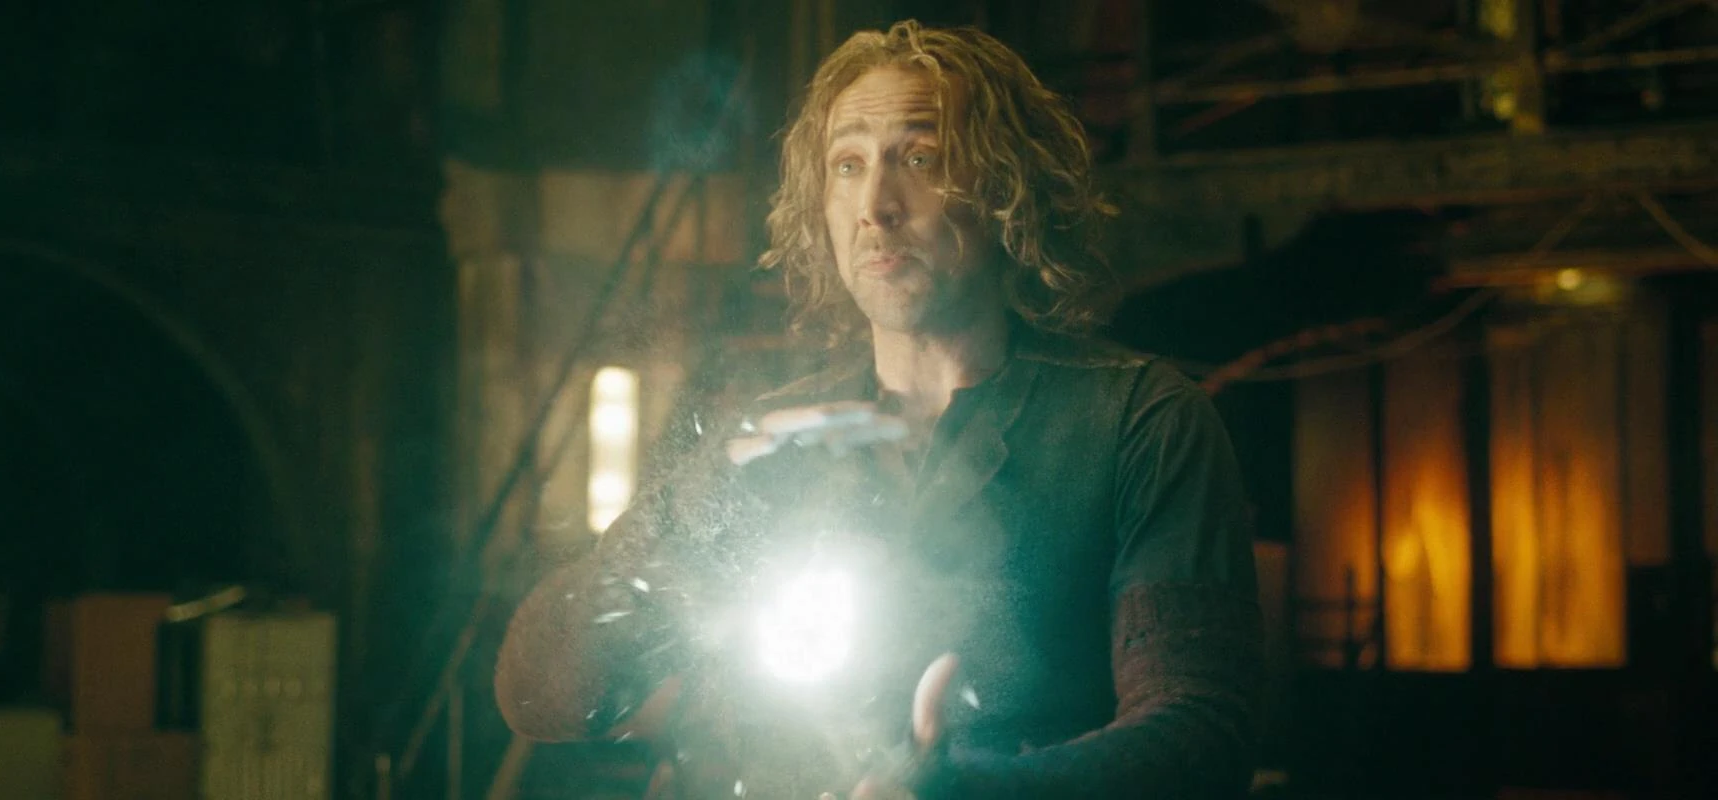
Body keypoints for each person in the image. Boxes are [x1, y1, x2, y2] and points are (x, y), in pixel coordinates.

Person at [495, 19, 1262, 800]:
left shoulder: (1137, 420)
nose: (875, 205)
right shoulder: (767, 443)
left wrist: (967, 793)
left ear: (1006, 191)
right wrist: (687, 520)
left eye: (920, 159)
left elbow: (1202, 731)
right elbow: (540, 699)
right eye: (847, 165)